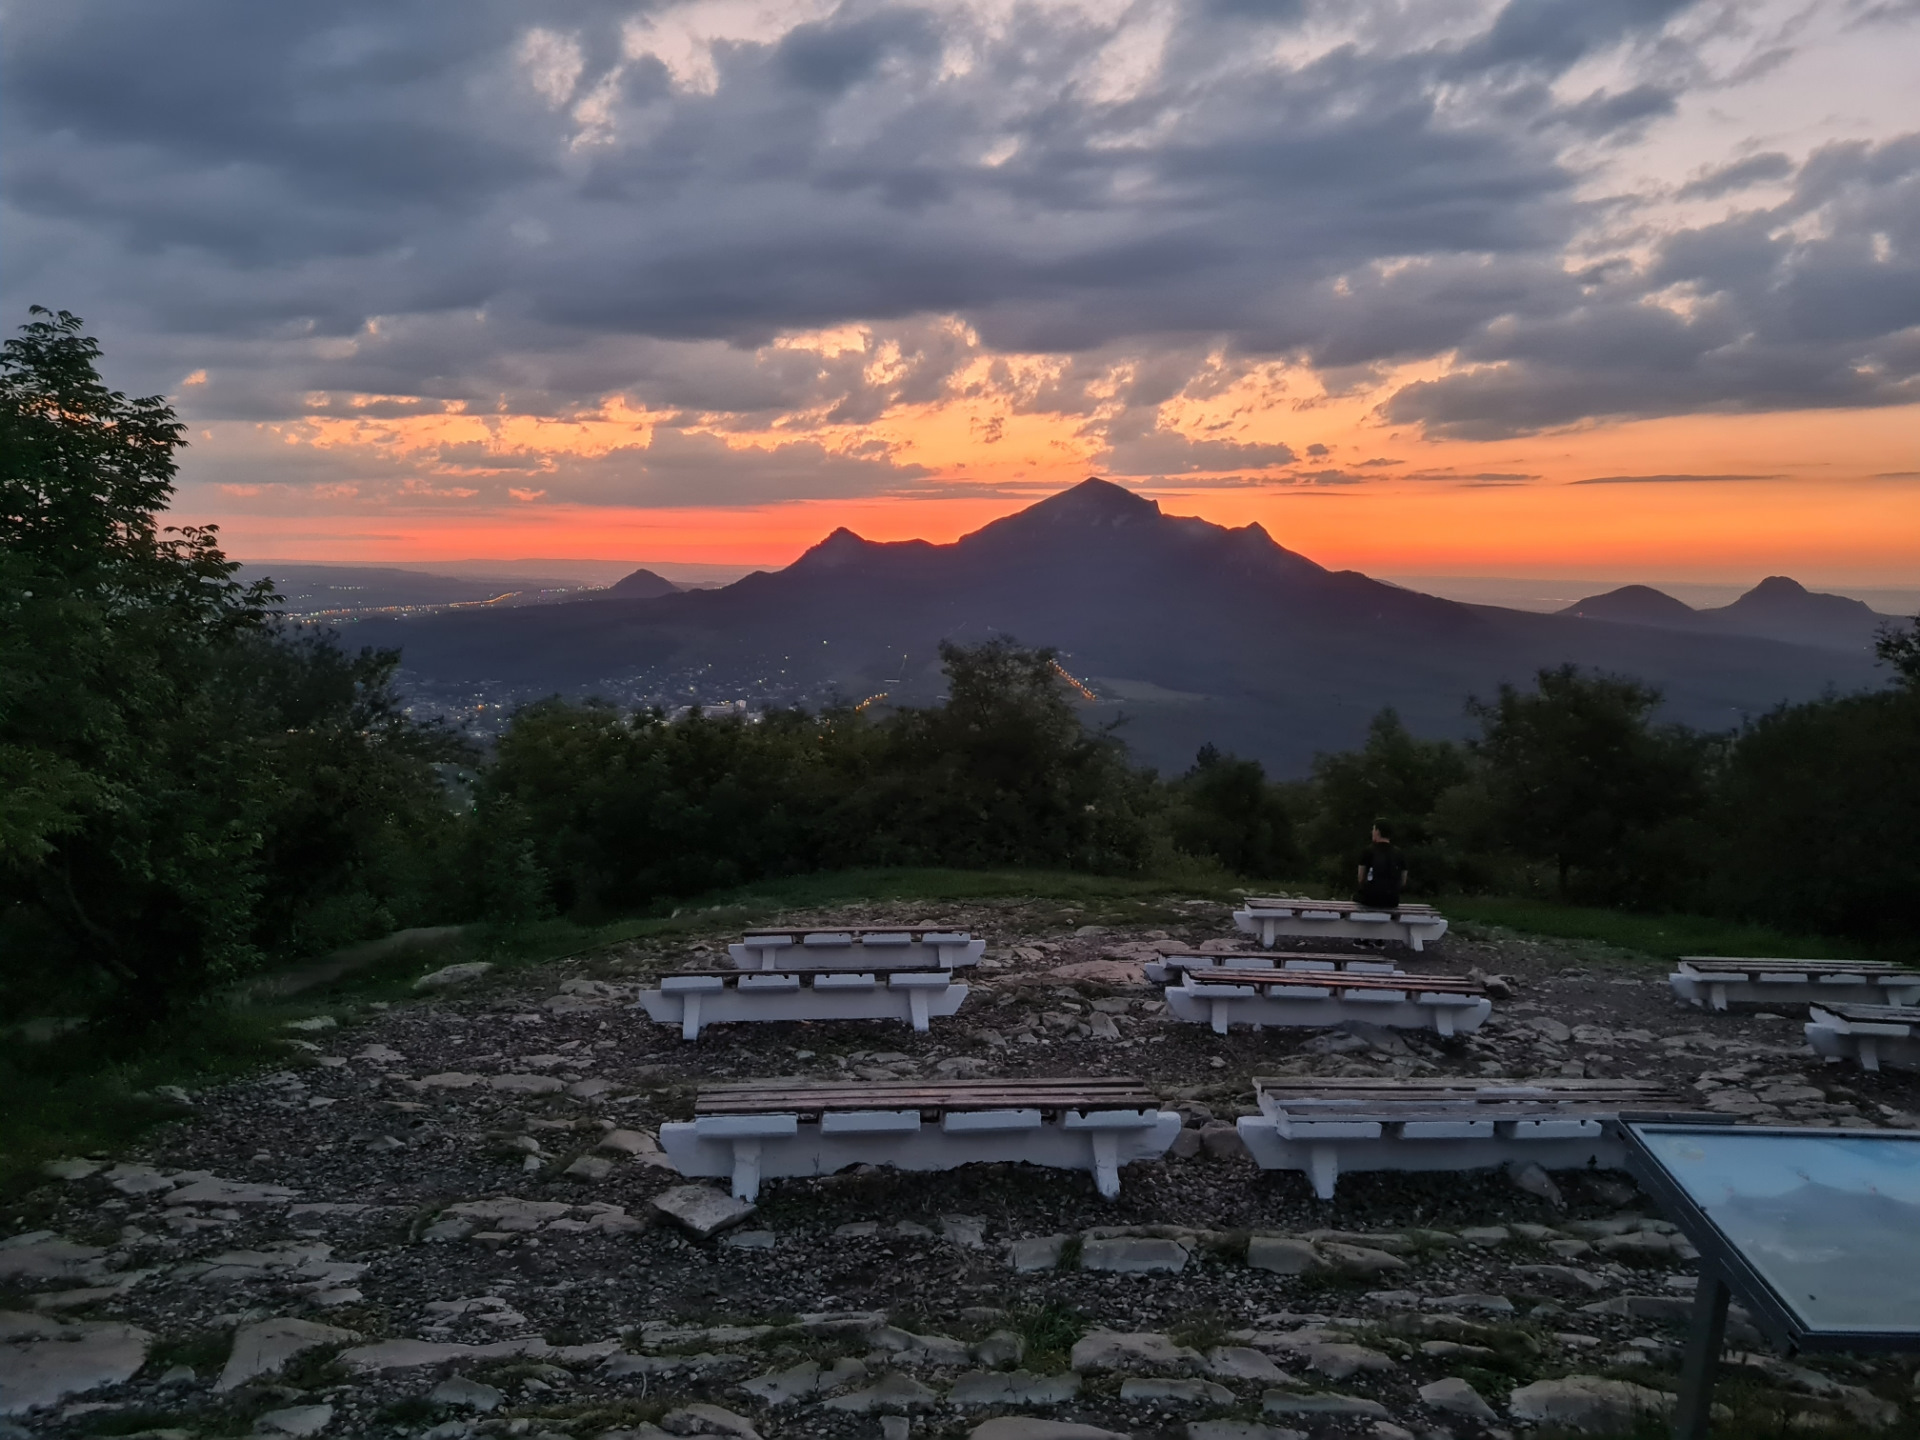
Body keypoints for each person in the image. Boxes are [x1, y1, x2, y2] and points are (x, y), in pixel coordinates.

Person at [1355, 820, 1408, 908]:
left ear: (1378, 832)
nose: (1372, 832)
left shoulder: (1368, 851)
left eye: (1373, 829)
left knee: (1356, 898)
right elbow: (1403, 881)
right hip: (1392, 900)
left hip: (1370, 899)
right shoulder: (1399, 853)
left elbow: (1361, 878)